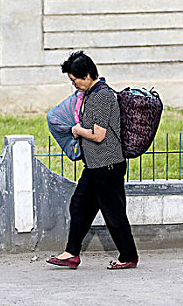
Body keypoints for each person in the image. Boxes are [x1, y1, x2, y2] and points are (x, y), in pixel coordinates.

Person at [46, 51, 139, 270]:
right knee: (79, 206)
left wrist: (77, 130)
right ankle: (71, 253)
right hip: (94, 166)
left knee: (113, 213)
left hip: (107, 166)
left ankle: (128, 256)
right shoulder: (92, 94)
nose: (74, 84)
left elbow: (99, 135)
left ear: (87, 75)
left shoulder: (101, 97)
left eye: (75, 79)